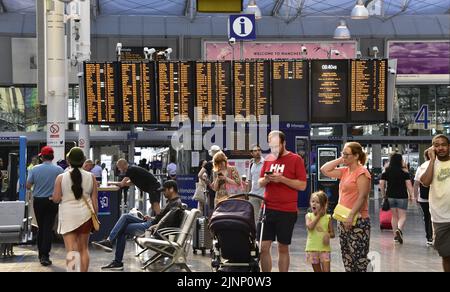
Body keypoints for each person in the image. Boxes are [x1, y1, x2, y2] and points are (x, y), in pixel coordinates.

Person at [93, 180, 182, 271]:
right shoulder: (173, 202)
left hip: (153, 228)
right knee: (126, 216)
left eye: (164, 190)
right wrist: (151, 218)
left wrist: (154, 226)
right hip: (151, 223)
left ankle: (116, 259)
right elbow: (164, 218)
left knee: (122, 229)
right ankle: (109, 242)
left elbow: (169, 223)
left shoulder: (175, 204)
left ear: (171, 189)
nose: (163, 193)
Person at [258, 131, 307, 272]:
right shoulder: (268, 159)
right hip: (267, 208)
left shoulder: (296, 159)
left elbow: (302, 185)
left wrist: (282, 179)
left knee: (283, 247)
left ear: (284, 143)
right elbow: (260, 182)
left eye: (277, 146)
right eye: (271, 146)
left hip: (286, 210)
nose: (274, 150)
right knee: (263, 247)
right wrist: (267, 179)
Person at [320, 142, 371, 272]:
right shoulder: (344, 171)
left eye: (346, 154)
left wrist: (351, 215)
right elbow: (324, 170)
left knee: (358, 258)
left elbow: (362, 197)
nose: (344, 157)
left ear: (356, 156)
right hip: (342, 218)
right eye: (343, 154)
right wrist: (341, 159)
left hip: (358, 219)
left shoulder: (362, 172)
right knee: (347, 256)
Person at [51, 147, 98, 272]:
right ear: (83, 161)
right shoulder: (91, 177)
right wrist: (95, 217)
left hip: (68, 216)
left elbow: (56, 199)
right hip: (86, 216)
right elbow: (94, 201)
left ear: (68, 161)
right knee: (84, 249)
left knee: (71, 250)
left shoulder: (61, 178)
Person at [26, 146, 64, 266]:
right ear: (52, 157)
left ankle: (41, 253)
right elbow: (63, 185)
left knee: (41, 227)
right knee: (48, 227)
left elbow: (28, 185)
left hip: (38, 201)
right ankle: (45, 255)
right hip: (52, 201)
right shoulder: (59, 170)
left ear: (42, 157)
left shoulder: (34, 169)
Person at [420, 134, 450, 272]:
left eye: (443, 144)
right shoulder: (428, 165)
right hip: (440, 217)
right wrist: (432, 160)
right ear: (432, 148)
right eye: (436, 145)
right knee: (446, 255)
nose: (440, 148)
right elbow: (425, 182)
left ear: (449, 146)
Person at [379, 153, 414, 244]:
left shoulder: (386, 171)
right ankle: (399, 229)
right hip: (402, 196)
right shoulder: (404, 172)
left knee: (394, 216)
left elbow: (381, 184)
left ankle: (395, 236)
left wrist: (383, 195)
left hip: (390, 196)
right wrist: (412, 196)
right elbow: (409, 185)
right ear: (400, 160)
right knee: (402, 216)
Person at [305, 191, 334, 273]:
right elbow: (310, 227)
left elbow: (332, 233)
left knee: (327, 270)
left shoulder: (328, 217)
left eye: (317, 202)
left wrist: (328, 235)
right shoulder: (308, 216)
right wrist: (318, 216)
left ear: (323, 205)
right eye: (312, 201)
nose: (314, 204)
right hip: (312, 248)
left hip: (324, 249)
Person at [414, 150, 433, 246]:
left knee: (427, 217)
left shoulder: (421, 167)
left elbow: (416, 183)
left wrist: (415, 196)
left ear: (425, 157)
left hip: (423, 197)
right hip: (436, 196)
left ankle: (429, 237)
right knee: (436, 217)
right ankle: (435, 236)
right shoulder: (438, 165)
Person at [198, 145, 221, 215]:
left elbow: (199, 175)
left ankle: (211, 222)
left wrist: (208, 182)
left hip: (211, 188)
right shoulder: (222, 163)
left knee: (211, 206)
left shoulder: (208, 164)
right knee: (220, 206)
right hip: (221, 188)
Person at [246, 144, 265, 222]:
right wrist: (247, 193)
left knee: (263, 217)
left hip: (263, 195)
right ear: (252, 153)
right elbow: (249, 180)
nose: (257, 152)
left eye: (259, 150)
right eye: (255, 151)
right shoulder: (251, 165)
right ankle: (257, 234)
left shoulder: (266, 163)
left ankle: (263, 234)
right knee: (254, 218)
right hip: (253, 195)